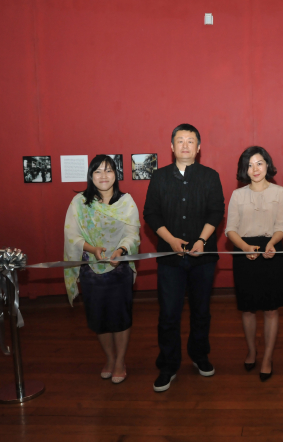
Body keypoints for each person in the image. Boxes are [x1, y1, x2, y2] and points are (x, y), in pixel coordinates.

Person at [143, 123, 225, 392]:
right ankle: (168, 364)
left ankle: (200, 355)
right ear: (171, 147)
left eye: (191, 141)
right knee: (169, 314)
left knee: (202, 311)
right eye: (180, 141)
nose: (186, 145)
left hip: (203, 257)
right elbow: (151, 214)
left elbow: (216, 211)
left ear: (199, 148)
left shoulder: (210, 176)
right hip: (170, 258)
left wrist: (202, 240)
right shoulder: (159, 177)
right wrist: (170, 240)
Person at [63, 155, 140, 384]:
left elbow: (132, 234)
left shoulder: (126, 202)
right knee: (99, 319)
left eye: (108, 170)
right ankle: (109, 358)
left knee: (121, 318)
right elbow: (72, 235)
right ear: (91, 176)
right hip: (91, 271)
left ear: (116, 174)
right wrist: (93, 249)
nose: (103, 176)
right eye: (98, 171)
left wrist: (121, 250)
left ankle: (120, 361)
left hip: (119, 270)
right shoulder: (79, 202)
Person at [225, 146, 283, 382]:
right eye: (250, 165)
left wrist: (271, 244)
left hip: (272, 249)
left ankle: (267, 357)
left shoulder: (280, 192)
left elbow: (281, 226)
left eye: (259, 163)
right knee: (248, 308)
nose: (255, 169)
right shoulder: (237, 195)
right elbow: (230, 229)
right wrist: (243, 248)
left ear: (267, 165)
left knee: (271, 309)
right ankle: (252, 350)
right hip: (244, 251)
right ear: (244, 169)